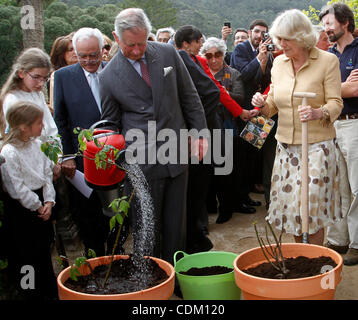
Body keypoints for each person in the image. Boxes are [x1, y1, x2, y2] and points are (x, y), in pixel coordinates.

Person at [99, 8, 208, 264]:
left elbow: (190, 96)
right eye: (130, 45)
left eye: (142, 42)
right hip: (141, 164)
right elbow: (110, 125)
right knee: (147, 228)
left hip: (178, 154)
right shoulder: (108, 77)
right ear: (116, 37)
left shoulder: (168, 53)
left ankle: (175, 276)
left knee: (176, 225)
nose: (137, 50)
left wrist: (200, 134)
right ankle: (150, 279)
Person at [251, 9, 344, 246]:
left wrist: (317, 112)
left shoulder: (327, 61)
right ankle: (301, 257)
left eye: (286, 39)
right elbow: (273, 103)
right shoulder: (279, 63)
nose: (280, 44)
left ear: (302, 36)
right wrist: (262, 103)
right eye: (278, 38)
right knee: (293, 208)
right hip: (286, 148)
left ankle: (314, 258)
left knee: (311, 207)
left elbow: (336, 102)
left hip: (317, 146)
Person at [54, 27, 112, 257]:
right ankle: (95, 258)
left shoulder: (113, 71)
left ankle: (114, 253)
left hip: (113, 155)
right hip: (80, 161)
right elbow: (60, 119)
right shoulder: (63, 76)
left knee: (115, 210)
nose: (89, 61)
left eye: (93, 55)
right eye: (82, 56)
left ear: (102, 51)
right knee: (87, 214)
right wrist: (67, 155)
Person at [1, 101, 58, 300]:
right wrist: (38, 206)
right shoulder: (9, 152)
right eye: (38, 123)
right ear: (24, 127)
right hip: (22, 211)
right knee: (26, 257)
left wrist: (49, 201)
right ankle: (30, 293)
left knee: (43, 253)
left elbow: (46, 174)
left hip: (42, 205)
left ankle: (49, 292)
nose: (42, 126)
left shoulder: (38, 145)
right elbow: (16, 187)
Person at [319, 3, 358, 265]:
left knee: (357, 188)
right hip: (333, 125)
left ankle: (357, 243)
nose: (326, 29)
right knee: (337, 187)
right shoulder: (330, 55)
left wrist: (334, 89)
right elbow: (325, 91)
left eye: (329, 23)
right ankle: (338, 239)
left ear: (345, 22)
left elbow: (354, 91)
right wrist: (340, 87)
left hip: (355, 125)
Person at [175, 44, 220, 253]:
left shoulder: (176, 58)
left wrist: (195, 130)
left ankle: (195, 242)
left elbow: (211, 93)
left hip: (192, 145)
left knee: (191, 197)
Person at [231, 19, 275, 211]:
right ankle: (240, 196)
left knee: (254, 154)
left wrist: (264, 60)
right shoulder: (241, 50)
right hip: (244, 111)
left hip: (262, 111)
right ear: (250, 32)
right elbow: (241, 74)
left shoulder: (270, 53)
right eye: (257, 32)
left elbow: (266, 80)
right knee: (243, 155)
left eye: (263, 33)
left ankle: (248, 194)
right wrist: (258, 58)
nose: (260, 36)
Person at [201, 37, 245, 224]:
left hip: (227, 126)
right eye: (209, 55)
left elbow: (240, 97)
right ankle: (210, 205)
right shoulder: (200, 74)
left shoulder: (232, 74)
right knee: (206, 170)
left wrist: (222, 95)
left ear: (223, 54)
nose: (213, 59)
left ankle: (226, 208)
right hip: (205, 127)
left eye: (217, 54)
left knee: (225, 171)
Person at [49, 32, 77, 114]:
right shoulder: (57, 75)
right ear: (61, 54)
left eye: (76, 49)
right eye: (70, 50)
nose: (75, 52)